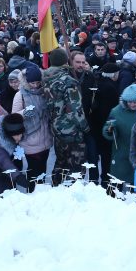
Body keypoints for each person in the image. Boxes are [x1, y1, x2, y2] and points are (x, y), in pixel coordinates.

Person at [43, 48, 89, 185]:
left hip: (56, 129)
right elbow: (75, 109)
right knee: (77, 166)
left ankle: (56, 188)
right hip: (72, 131)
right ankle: (74, 194)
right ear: (66, 61)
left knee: (60, 162)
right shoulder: (68, 81)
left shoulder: (47, 78)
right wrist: (85, 127)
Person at [11, 65, 52, 191]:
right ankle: (32, 193)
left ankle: (41, 194)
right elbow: (15, 116)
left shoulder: (44, 91)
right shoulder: (20, 95)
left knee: (43, 169)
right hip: (30, 139)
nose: (35, 85)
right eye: (32, 83)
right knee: (34, 170)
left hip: (45, 137)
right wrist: (27, 112)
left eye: (38, 82)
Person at [102, 83, 136, 186]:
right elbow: (108, 127)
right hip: (122, 151)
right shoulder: (116, 111)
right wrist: (109, 131)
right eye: (129, 102)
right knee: (119, 182)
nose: (132, 104)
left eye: (135, 102)